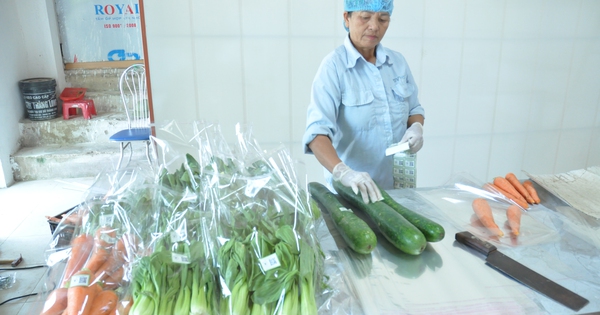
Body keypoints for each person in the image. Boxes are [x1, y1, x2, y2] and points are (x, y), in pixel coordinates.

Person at [302, 0, 425, 204]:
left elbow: (414, 108)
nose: (374, 26)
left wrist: (417, 127)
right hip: (353, 195)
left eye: (383, 19)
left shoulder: (398, 63)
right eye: (365, 17)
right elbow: (317, 134)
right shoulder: (333, 67)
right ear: (347, 18)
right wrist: (343, 172)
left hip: (399, 190)